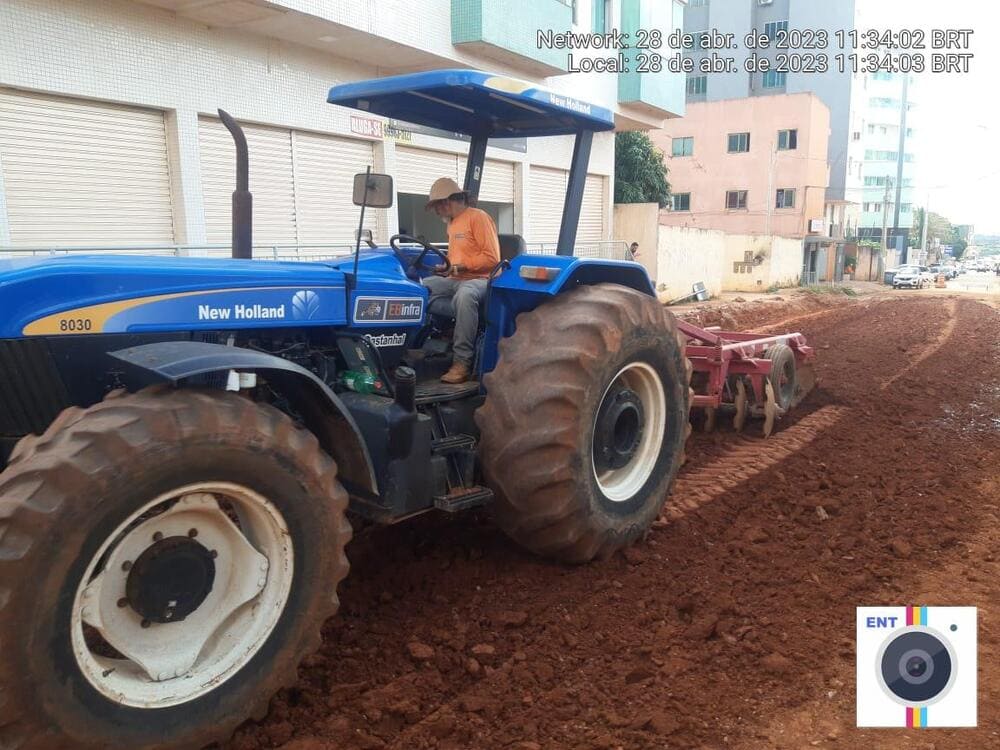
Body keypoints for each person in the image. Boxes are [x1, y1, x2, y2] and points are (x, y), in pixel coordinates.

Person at [422, 177, 501, 384]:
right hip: (456, 278)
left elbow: (492, 258)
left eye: (437, 206)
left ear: (447, 201)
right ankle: (419, 344)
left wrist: (460, 266)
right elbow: (457, 257)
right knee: (420, 288)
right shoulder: (452, 223)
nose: (436, 211)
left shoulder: (478, 217)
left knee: (465, 295)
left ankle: (462, 362)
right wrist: (447, 267)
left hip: (483, 279)